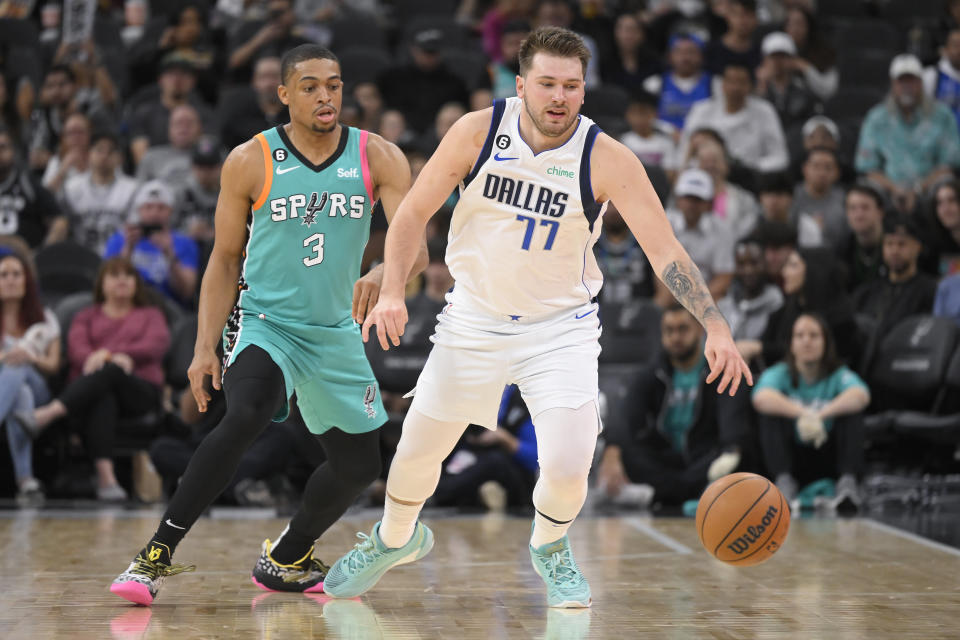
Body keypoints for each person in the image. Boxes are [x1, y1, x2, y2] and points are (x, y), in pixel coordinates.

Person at [322, 26, 750, 609]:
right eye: (546, 84)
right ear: (521, 85)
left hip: (560, 327)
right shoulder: (476, 131)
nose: (558, 97)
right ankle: (393, 539)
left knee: (573, 461)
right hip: (473, 317)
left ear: (584, 90)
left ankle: (550, 549)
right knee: (416, 452)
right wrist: (393, 288)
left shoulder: (607, 158)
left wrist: (717, 327)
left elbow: (666, 251)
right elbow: (412, 213)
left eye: (571, 86)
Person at [108, 44, 426, 606]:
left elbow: (413, 245)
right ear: (283, 94)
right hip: (265, 322)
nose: (325, 95)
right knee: (248, 412)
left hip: (333, 330)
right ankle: (153, 556)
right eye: (310, 86)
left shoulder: (378, 156)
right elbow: (225, 260)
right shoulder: (249, 159)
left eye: (334, 84)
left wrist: (384, 269)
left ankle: (287, 556)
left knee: (358, 467)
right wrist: (206, 347)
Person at [25, 257, 167, 501]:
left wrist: (109, 355)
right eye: (114, 275)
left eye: (128, 275)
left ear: (136, 284)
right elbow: (76, 349)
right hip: (93, 393)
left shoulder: (151, 314)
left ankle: (50, 413)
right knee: (105, 392)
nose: (122, 280)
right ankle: (106, 478)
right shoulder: (85, 316)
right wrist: (106, 358)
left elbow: (156, 344)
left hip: (140, 389)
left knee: (112, 372)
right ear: (101, 284)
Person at [597, 304, 750, 508]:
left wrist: (732, 449)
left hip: (703, 457)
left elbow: (732, 426)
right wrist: (613, 451)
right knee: (624, 448)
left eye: (682, 329)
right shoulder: (653, 372)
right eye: (669, 330)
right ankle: (691, 494)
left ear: (698, 329)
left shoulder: (717, 370)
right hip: (666, 460)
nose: (675, 337)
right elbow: (626, 416)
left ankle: (657, 496)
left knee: (730, 454)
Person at [752, 313, 870, 511]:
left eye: (814, 336)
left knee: (852, 413)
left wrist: (820, 415)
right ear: (791, 344)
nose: (807, 341)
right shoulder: (780, 373)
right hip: (794, 458)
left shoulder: (838, 374)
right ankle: (784, 483)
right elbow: (761, 398)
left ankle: (847, 484)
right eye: (800, 336)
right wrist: (802, 414)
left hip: (828, 454)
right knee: (770, 415)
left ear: (825, 342)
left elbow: (861, 395)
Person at [856, 54, 960, 214]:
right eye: (901, 81)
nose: (907, 86)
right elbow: (868, 167)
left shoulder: (942, 116)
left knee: (947, 185)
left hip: (930, 189)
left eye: (911, 81)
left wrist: (918, 190)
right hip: (888, 190)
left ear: (921, 83)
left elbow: (948, 166)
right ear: (893, 84)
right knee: (865, 190)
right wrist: (895, 189)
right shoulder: (877, 118)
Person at [0, 251, 60, 504]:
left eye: (17, 274)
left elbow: (53, 366)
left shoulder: (45, 318)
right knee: (18, 390)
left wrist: (31, 357)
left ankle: (25, 479)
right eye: (4, 275)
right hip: (9, 389)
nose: (11, 280)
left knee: (20, 369)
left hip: (40, 389)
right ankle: (26, 481)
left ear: (27, 280)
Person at [853, 214, 938, 374]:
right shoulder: (866, 291)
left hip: (908, 365)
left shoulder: (930, 290)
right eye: (889, 244)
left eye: (902, 244)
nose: (894, 250)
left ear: (917, 248)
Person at [103, 180, 199, 308]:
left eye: (161, 207)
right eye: (148, 207)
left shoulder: (185, 243)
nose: (154, 213)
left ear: (171, 211)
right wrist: (128, 249)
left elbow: (186, 292)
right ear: (139, 210)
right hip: (126, 304)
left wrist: (169, 253)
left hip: (166, 306)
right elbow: (107, 287)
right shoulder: (119, 240)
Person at [680, 62, 789, 173]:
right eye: (731, 81)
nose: (735, 88)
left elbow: (780, 157)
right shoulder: (701, 110)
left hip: (751, 176)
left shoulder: (765, 111)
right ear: (722, 84)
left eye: (741, 82)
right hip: (706, 175)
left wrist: (752, 167)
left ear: (750, 86)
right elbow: (684, 152)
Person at [662, 168, 735, 303]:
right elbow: (658, 270)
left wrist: (696, 302)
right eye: (688, 197)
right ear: (678, 199)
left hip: (709, 299)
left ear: (708, 204)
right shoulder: (664, 223)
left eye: (698, 199)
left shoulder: (721, 229)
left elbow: (724, 276)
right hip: (670, 295)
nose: (692, 205)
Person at [63, 131, 139, 253]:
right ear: (89, 155)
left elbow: (134, 230)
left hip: (119, 256)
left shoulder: (132, 188)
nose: (104, 156)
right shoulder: (72, 187)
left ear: (120, 158)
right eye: (99, 150)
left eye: (110, 152)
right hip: (82, 256)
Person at [719, 237, 784, 362]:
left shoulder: (778, 305)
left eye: (754, 263)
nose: (748, 270)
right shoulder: (724, 306)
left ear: (765, 263)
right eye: (741, 264)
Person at [0, 125, 63, 249]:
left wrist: (43, 254)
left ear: (13, 151)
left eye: (2, 148)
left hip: (24, 260)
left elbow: (59, 221)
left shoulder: (27, 183)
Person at [643, 33, 712, 132]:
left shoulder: (714, 84)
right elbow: (646, 118)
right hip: (665, 140)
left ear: (701, 56)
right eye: (679, 52)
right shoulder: (653, 84)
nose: (685, 57)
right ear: (670, 56)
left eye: (691, 52)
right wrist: (670, 131)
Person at [754, 32, 818, 132]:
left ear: (792, 59)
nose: (778, 62)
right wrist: (762, 86)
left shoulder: (803, 89)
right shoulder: (755, 87)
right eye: (773, 57)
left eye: (783, 56)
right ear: (765, 60)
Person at [135, 104, 204, 193]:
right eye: (178, 123)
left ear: (200, 128)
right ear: (169, 128)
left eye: (189, 123)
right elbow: (139, 194)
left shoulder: (214, 155)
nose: (184, 128)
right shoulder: (151, 157)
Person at [791, 147, 846, 249]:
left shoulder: (845, 200)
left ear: (837, 173)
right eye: (816, 166)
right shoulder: (791, 197)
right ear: (805, 169)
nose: (822, 173)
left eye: (828, 167)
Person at [619, 90, 678, 179]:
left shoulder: (665, 142)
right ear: (627, 115)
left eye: (644, 113)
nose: (639, 119)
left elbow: (670, 172)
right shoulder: (623, 141)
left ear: (654, 114)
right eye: (634, 113)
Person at [839, 185, 886, 292]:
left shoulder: (895, 244)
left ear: (880, 212)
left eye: (865, 208)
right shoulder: (843, 248)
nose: (859, 215)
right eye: (852, 208)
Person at [923, 27, 960, 130]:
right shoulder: (931, 76)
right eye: (955, 45)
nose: (959, 50)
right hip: (939, 138)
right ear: (946, 50)